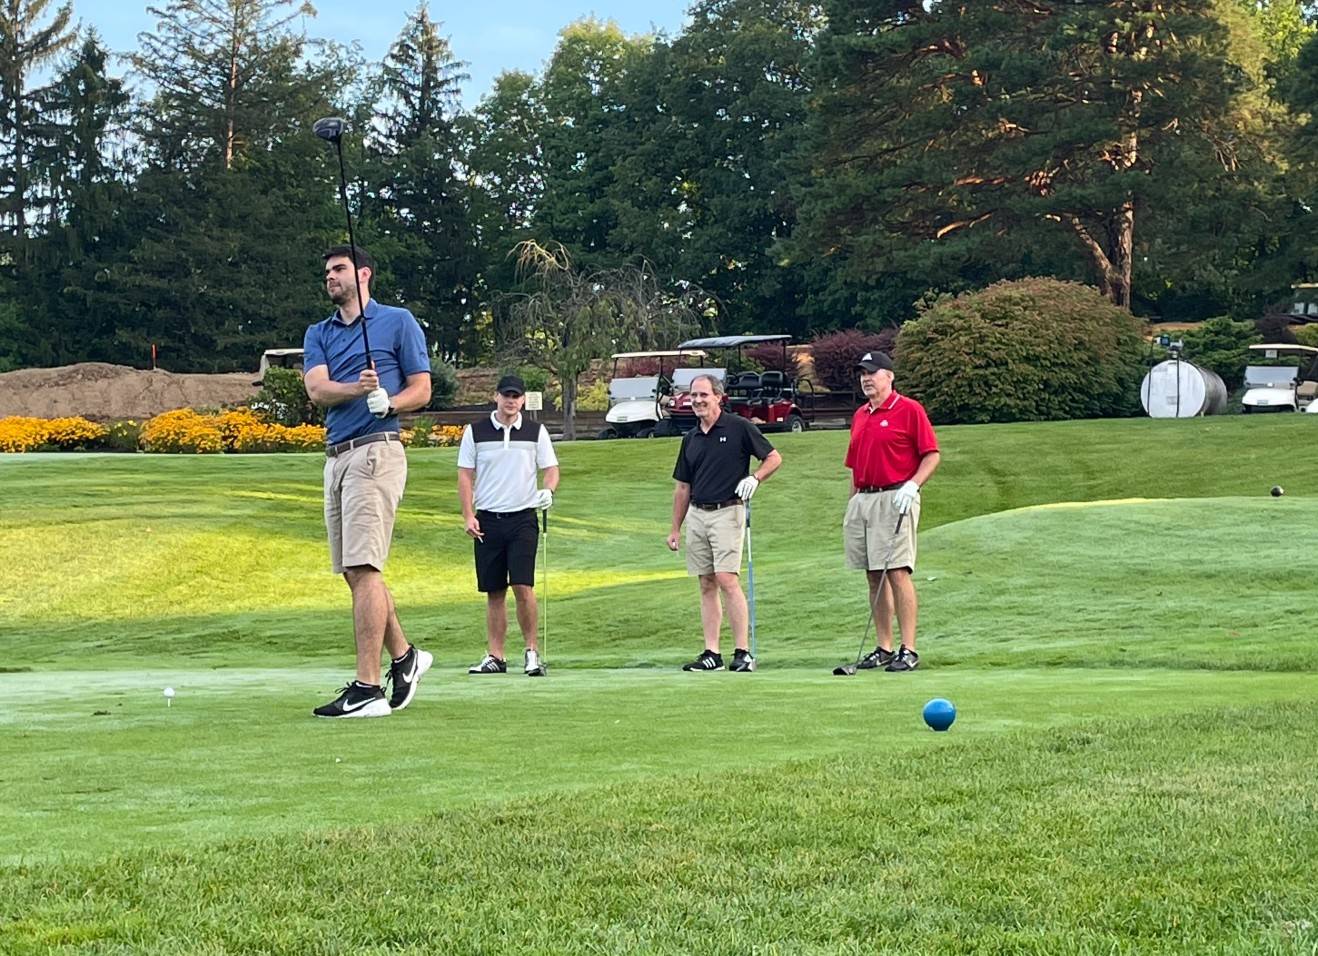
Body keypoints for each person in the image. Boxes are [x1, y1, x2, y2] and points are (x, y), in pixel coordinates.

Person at [302, 244, 434, 718]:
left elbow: (423, 387)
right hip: (336, 457)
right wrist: (355, 389)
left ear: (364, 274)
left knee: (364, 565)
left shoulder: (397, 321)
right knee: (356, 571)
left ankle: (368, 688)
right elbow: (317, 389)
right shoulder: (318, 332)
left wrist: (391, 403)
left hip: (376, 450)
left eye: (338, 270)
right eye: (327, 272)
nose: (330, 278)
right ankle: (405, 656)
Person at [666, 374, 782, 672]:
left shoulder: (738, 427)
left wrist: (755, 478)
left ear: (719, 396)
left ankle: (743, 651)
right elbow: (682, 487)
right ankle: (712, 653)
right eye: (693, 395)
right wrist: (675, 528)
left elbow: (773, 458)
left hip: (728, 511)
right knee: (706, 582)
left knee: (727, 578)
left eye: (703, 394)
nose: (697, 400)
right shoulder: (690, 438)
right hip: (697, 514)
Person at [843, 351, 941, 672]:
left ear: (889, 376)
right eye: (862, 373)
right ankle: (883, 647)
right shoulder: (860, 415)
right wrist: (853, 502)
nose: (866, 378)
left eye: (872, 372)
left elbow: (931, 455)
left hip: (896, 495)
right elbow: (854, 464)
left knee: (897, 571)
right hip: (864, 499)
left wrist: (912, 486)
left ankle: (908, 648)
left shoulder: (909, 409)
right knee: (873, 575)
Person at [458, 375, 559, 676]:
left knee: (523, 586)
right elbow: (465, 475)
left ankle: (531, 652)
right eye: (506, 395)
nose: (511, 401)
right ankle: (496, 656)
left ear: (523, 400)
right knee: (494, 591)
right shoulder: (475, 432)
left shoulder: (534, 431)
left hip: (523, 518)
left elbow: (551, 468)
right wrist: (468, 515)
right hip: (488, 518)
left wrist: (548, 490)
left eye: (516, 396)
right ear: (496, 397)